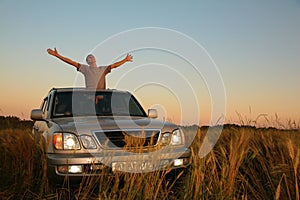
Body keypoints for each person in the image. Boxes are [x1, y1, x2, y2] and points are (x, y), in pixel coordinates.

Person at [47, 48, 133, 89]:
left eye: (92, 56)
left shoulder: (102, 69)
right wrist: (57, 55)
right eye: (88, 57)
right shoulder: (85, 69)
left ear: (95, 59)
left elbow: (114, 65)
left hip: (102, 96)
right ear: (87, 62)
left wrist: (125, 60)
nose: (91, 57)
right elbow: (71, 62)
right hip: (89, 97)